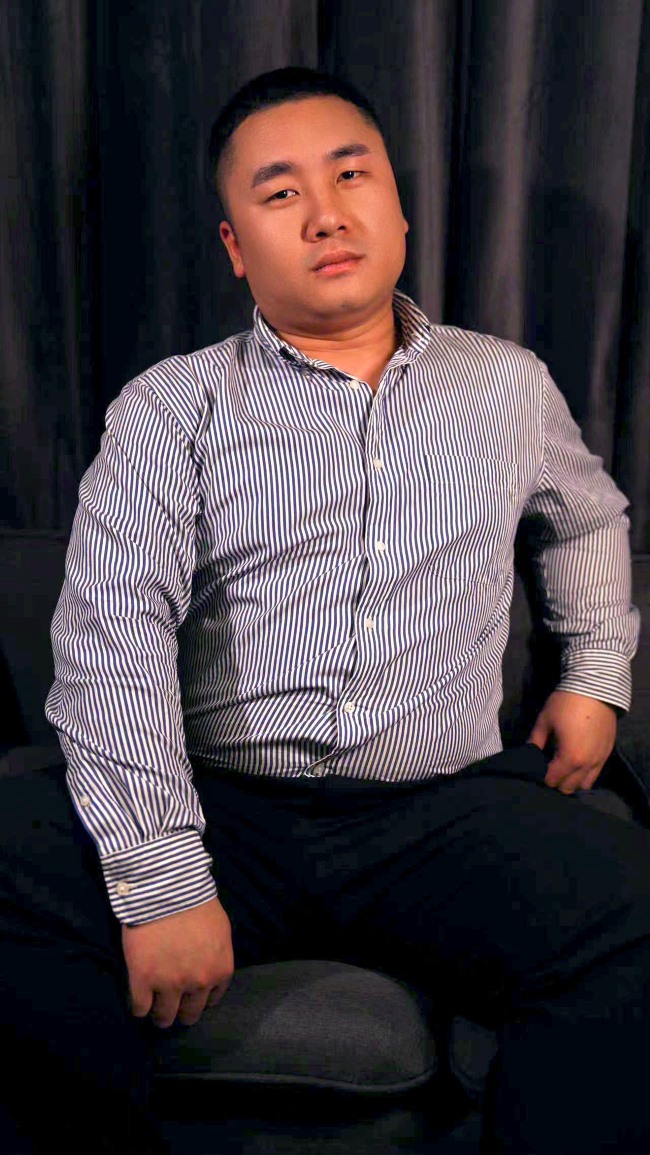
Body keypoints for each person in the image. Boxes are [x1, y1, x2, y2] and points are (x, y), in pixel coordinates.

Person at [1, 65, 648, 1155]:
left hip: (438, 814)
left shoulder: (507, 386)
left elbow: (585, 518)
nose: (325, 214)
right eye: (280, 191)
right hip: (226, 807)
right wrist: (161, 882)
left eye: (351, 176)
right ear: (234, 245)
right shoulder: (173, 405)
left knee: (634, 918)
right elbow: (114, 637)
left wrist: (594, 677)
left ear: (398, 205)